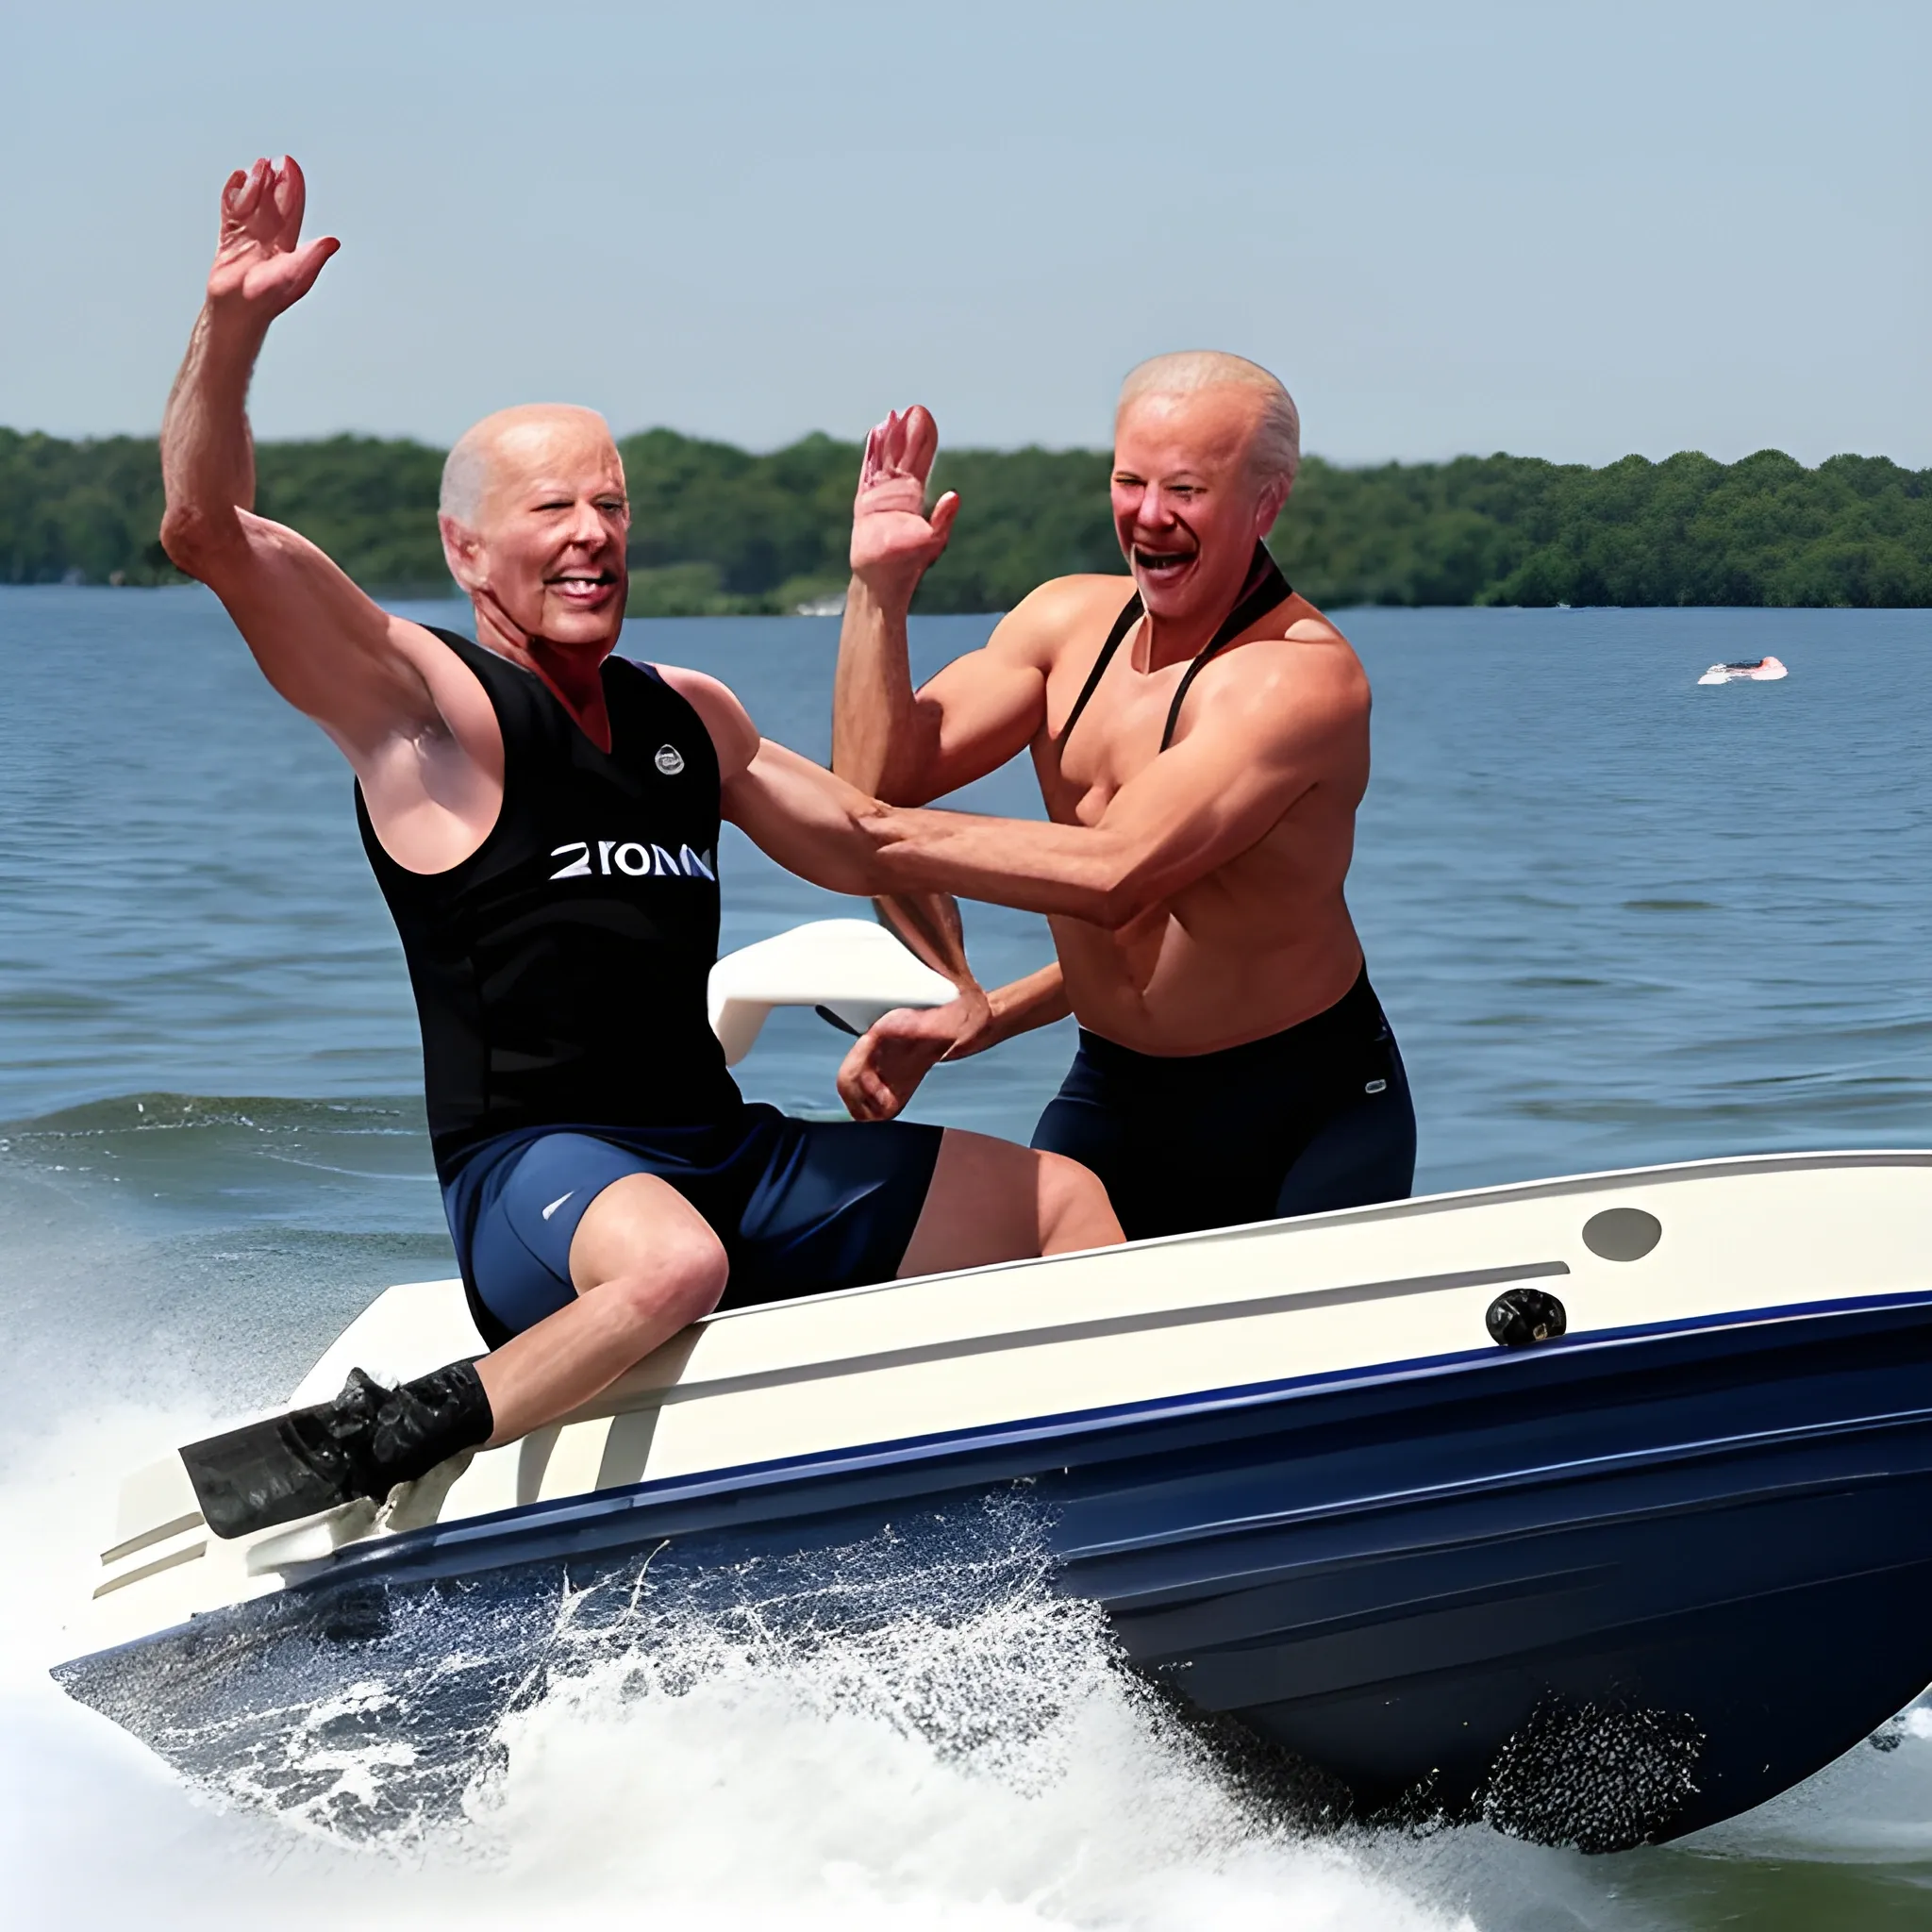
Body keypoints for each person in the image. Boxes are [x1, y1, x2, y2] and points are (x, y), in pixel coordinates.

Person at [163, 158, 1121, 1540]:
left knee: (1060, 1201)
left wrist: (1101, 871)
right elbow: (208, 529)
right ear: (466, 549)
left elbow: (865, 842)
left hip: (723, 1154)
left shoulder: (690, 718)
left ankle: (1069, 1534)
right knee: (677, 1264)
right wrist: (233, 328)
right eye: (553, 510)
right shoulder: (418, 707)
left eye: (610, 509)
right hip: (537, 1176)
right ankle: (387, 1438)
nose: (592, 537)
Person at [829, 357, 1416, 1241]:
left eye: (1187, 489)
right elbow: (881, 778)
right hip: (1115, 1090)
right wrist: (879, 592)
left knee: (1284, 1374)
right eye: (1130, 481)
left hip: (1303, 1109)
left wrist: (854, 837)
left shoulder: (1297, 681)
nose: (1149, 515)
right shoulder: (1063, 624)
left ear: (1266, 504)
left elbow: (1117, 876)